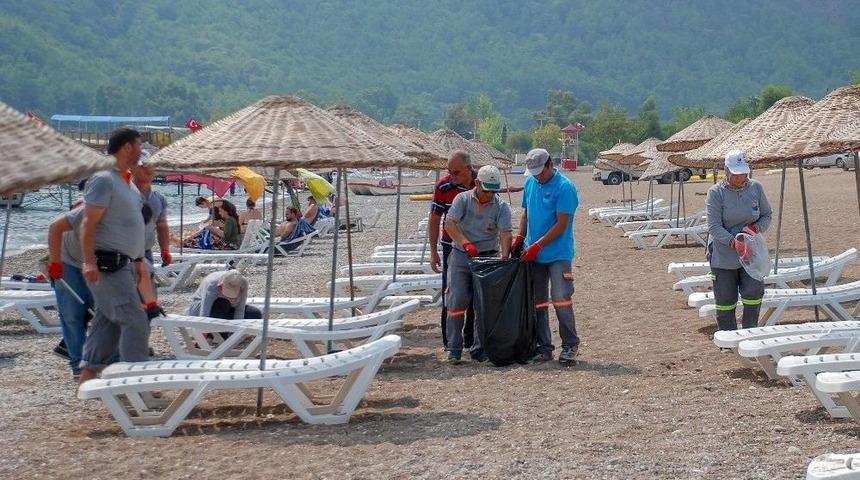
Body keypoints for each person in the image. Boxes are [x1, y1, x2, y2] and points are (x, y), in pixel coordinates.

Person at [77, 128, 152, 385]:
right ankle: (137, 382)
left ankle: (87, 375)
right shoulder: (103, 180)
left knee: (107, 321)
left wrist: (138, 260)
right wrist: (88, 261)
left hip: (125, 264)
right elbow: (88, 223)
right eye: (139, 145)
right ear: (127, 147)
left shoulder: (127, 183)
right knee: (135, 320)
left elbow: (131, 226)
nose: (142, 151)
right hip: (107, 263)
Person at [515, 148, 581, 365]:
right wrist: (520, 237)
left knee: (561, 298)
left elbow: (561, 224)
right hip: (534, 253)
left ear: (550, 165)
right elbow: (526, 213)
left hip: (558, 253)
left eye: (540, 172)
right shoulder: (530, 183)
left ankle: (570, 345)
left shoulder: (565, 188)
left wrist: (537, 246)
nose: (538, 177)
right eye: (534, 173)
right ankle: (544, 347)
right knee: (539, 302)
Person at [443, 165, 512, 363]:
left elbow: (505, 233)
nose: (489, 195)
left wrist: (505, 258)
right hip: (461, 256)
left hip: (488, 256)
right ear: (477, 184)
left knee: (483, 304)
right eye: (486, 190)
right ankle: (454, 347)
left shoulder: (501, 207)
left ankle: (479, 347)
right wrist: (465, 243)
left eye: (493, 191)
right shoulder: (462, 200)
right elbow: (450, 224)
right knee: (457, 300)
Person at [706, 150, 772, 331]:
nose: (739, 177)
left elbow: (767, 215)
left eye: (743, 173)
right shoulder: (716, 193)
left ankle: (750, 329)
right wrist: (734, 242)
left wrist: (754, 229)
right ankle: (728, 336)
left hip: (751, 251)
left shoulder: (756, 188)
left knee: (754, 291)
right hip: (724, 254)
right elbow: (714, 226)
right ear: (726, 171)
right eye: (735, 174)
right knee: (725, 298)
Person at [429, 151, 477, 348]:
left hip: (478, 247)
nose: (452, 176)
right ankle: (450, 342)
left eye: (456, 172)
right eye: (449, 171)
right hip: (451, 247)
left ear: (469, 168)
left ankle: (471, 340)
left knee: (476, 294)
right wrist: (433, 252)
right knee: (451, 293)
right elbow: (434, 220)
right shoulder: (443, 186)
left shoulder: (482, 182)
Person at [46, 201, 92, 379]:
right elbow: (54, 227)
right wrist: (55, 263)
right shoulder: (83, 212)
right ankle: (78, 364)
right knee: (71, 315)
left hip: (100, 262)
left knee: (103, 314)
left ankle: (108, 360)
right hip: (68, 261)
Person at [132, 160, 171, 266]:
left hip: (146, 252)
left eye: (152, 166)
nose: (148, 169)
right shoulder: (124, 194)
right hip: (124, 254)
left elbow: (162, 227)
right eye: (143, 166)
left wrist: (164, 250)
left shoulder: (159, 199)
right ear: (132, 168)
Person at [186, 270, 261, 320]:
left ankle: (227, 332)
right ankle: (216, 334)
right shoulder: (212, 284)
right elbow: (205, 312)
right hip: (201, 307)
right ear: (221, 284)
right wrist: (204, 332)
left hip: (227, 309)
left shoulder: (243, 283)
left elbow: (240, 308)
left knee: (254, 313)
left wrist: (237, 326)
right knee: (223, 303)